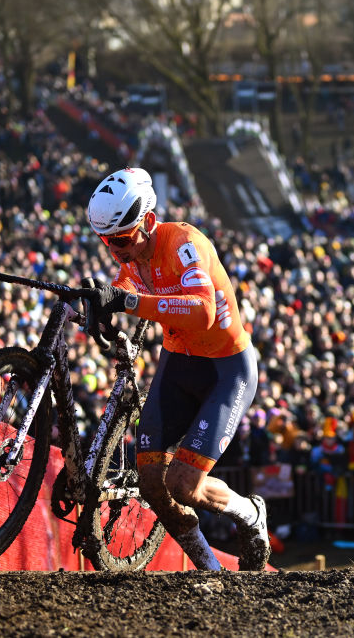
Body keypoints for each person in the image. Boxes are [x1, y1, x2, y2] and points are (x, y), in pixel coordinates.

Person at [82, 167, 270, 571]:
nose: (117, 251)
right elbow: (127, 285)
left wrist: (129, 303)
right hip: (177, 366)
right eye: (107, 243)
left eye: (122, 240)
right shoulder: (132, 251)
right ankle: (210, 569)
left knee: (184, 486)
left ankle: (251, 514)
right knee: (152, 484)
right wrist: (106, 302)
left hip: (226, 370)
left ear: (148, 221)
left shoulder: (185, 242)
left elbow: (202, 312)